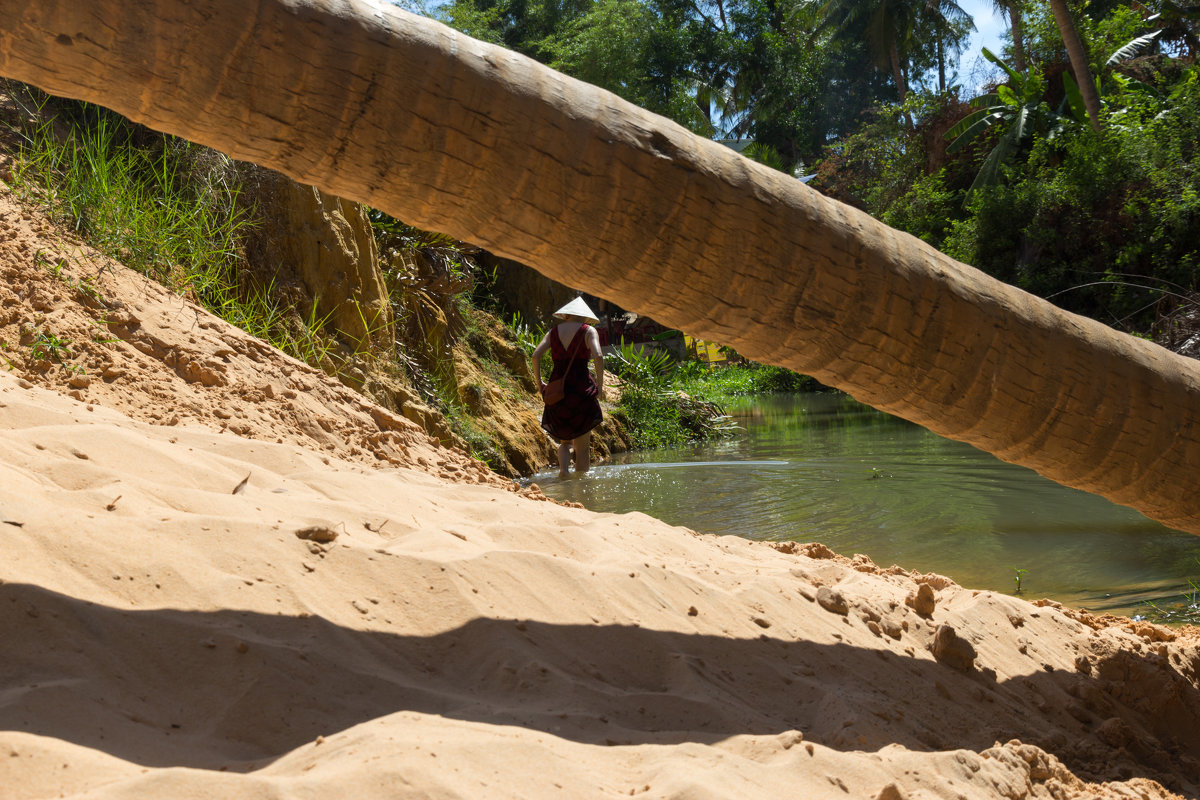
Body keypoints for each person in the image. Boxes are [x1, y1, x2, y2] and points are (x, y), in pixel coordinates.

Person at [531, 297, 606, 477]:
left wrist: (539, 383)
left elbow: (535, 356)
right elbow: (599, 356)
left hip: (557, 391)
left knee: (564, 442)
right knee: (582, 448)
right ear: (585, 317)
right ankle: (582, 490)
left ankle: (563, 472)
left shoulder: (553, 332)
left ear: (566, 316)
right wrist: (601, 387)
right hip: (581, 391)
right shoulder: (588, 331)